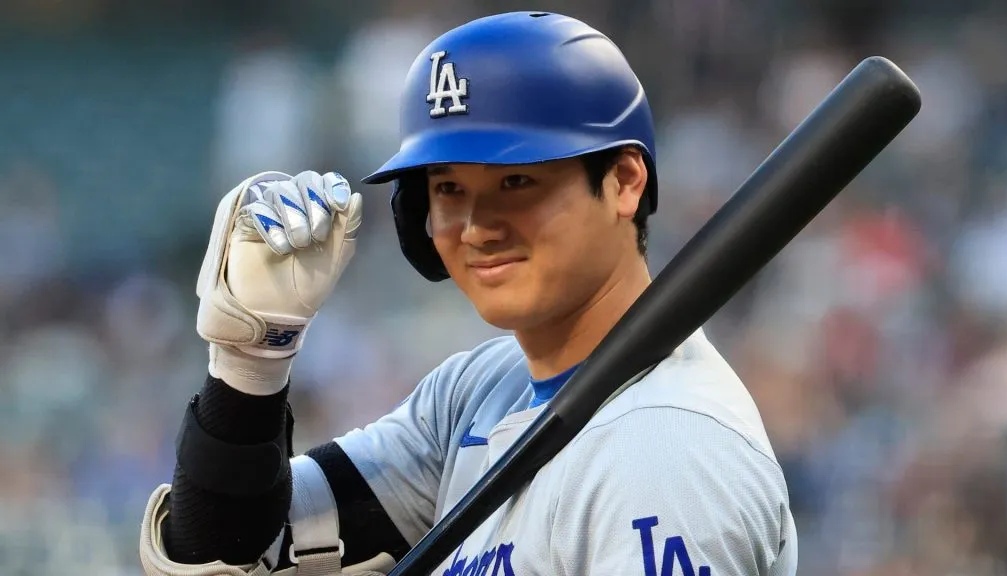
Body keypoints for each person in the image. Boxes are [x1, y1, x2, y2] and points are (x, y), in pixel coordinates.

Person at [139, 11, 798, 576]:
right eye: (449, 188)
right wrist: (251, 362)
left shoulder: (665, 449)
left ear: (624, 182)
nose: (477, 227)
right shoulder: (477, 395)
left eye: (516, 182)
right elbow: (228, 551)